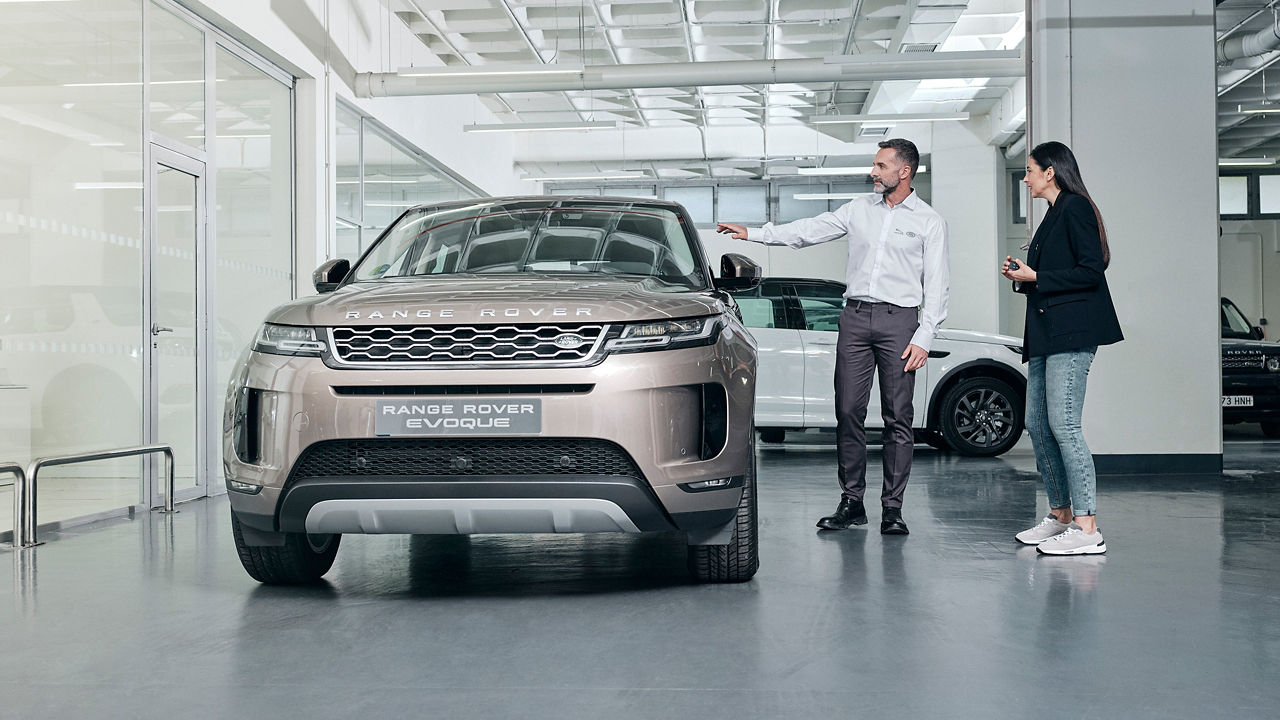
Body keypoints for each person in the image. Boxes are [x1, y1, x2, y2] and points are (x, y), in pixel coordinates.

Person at [717, 138, 949, 535]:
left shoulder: (929, 221)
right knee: (847, 412)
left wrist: (924, 336)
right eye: (874, 166)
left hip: (900, 322)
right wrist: (754, 233)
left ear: (904, 171)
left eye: (880, 166)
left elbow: (938, 284)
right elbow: (808, 231)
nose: (873, 173)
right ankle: (852, 501)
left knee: (898, 419)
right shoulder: (858, 209)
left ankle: (892, 509)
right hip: (856, 318)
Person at [1002, 141, 1123, 556]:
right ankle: (1061, 516)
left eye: (1030, 170)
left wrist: (1037, 275)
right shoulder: (1054, 215)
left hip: (1072, 334)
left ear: (1050, 172)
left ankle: (1088, 527)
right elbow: (1051, 274)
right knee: (1037, 424)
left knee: (1065, 426)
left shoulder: (1076, 207)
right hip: (1045, 335)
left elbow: (1092, 270)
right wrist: (1024, 277)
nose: (1026, 178)